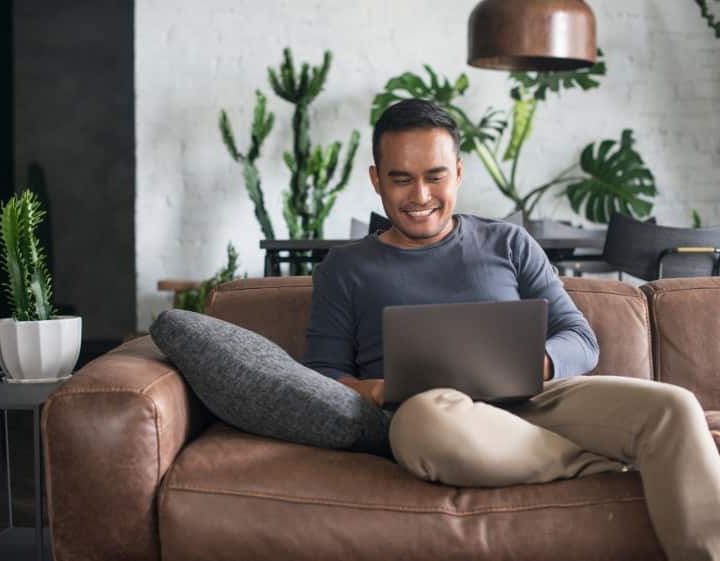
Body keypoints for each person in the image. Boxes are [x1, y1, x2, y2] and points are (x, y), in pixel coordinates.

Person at [302, 99, 720, 561]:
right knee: (424, 425)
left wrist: (531, 363)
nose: (420, 195)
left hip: (535, 400)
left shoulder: (509, 242)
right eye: (401, 179)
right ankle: (598, 463)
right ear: (376, 179)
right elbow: (322, 377)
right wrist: (380, 390)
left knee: (675, 406)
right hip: (438, 418)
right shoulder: (344, 269)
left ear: (458, 173)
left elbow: (580, 339)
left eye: (435, 176)